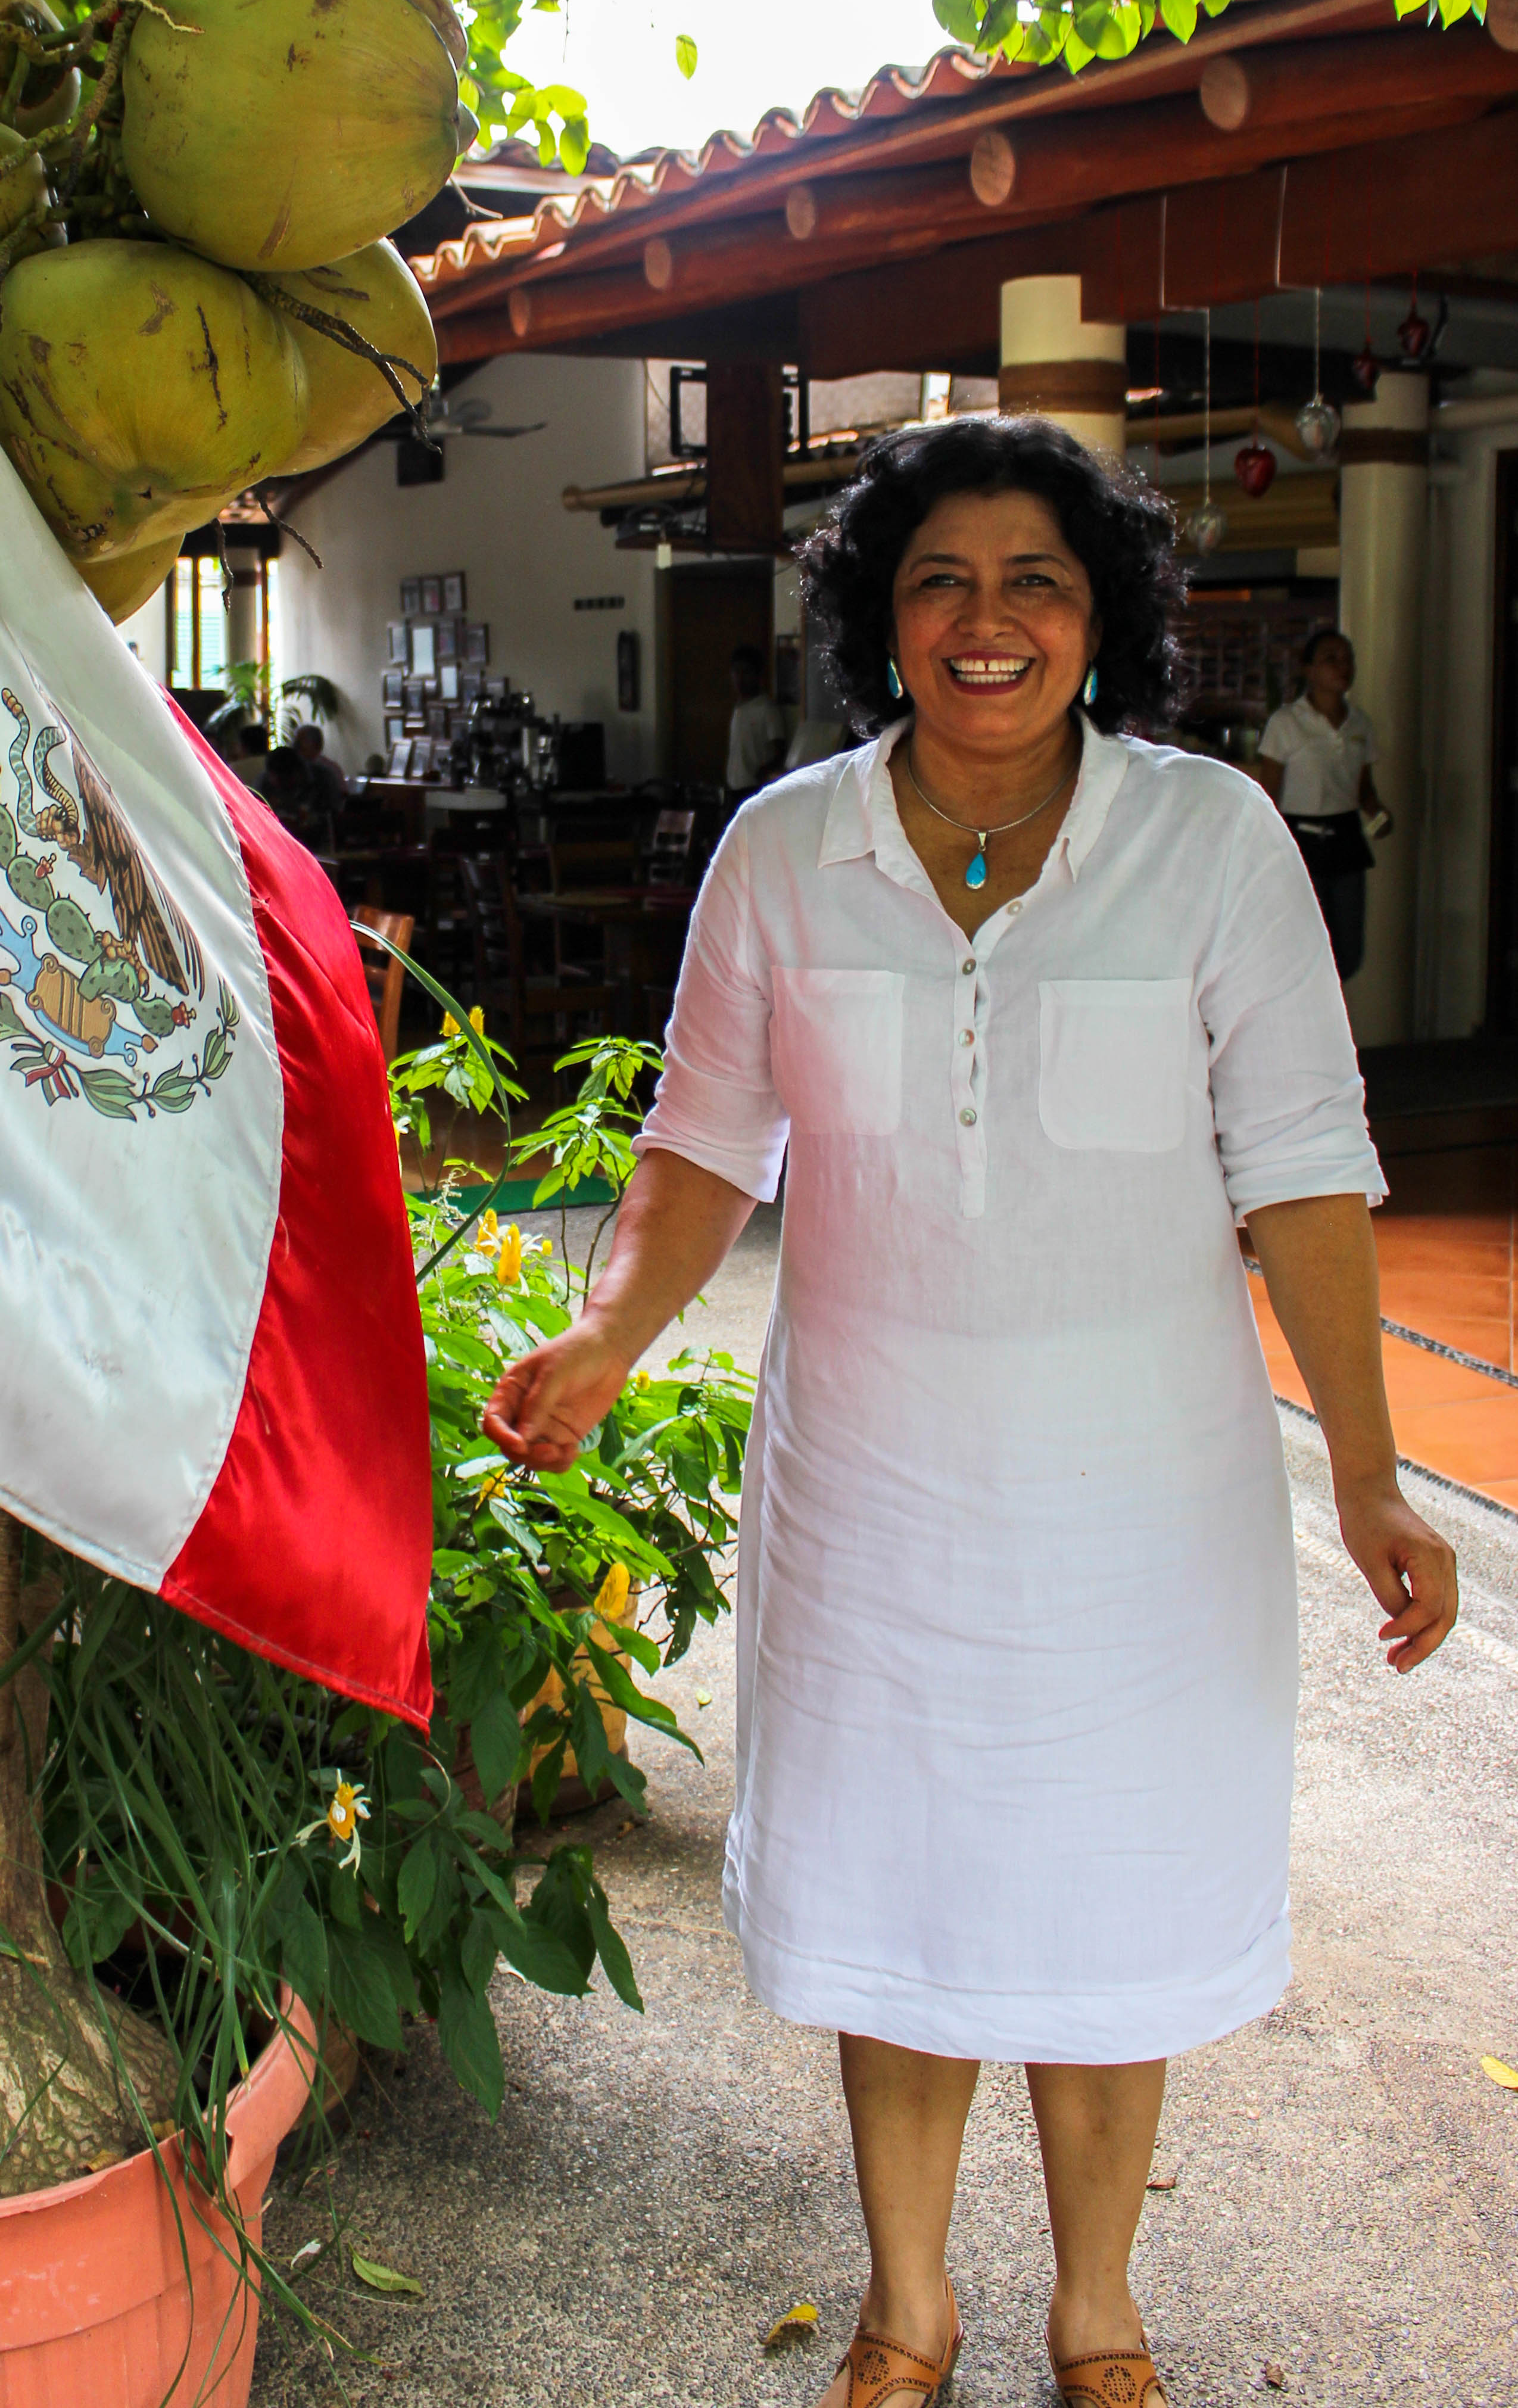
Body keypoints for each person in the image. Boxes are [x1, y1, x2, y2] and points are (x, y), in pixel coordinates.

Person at [482, 416, 1455, 2408]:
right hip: (878, 1492)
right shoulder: (781, 851)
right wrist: (605, 1337)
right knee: (897, 1889)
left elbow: (1296, 1166)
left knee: (1106, 1884)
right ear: (878, 617)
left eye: (1034, 578)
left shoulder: (1208, 843)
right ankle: (903, 2305)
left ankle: (1094, 2307)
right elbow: (698, 1146)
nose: (985, 618)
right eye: (938, 577)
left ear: (1100, 620)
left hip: (1143, 1501)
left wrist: (1365, 1472)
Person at [1254, 630, 1391, 981]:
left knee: (1347, 950)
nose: (1343, 667)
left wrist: (1379, 813)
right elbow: (1269, 794)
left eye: (1348, 660)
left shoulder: (1359, 724)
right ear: (1309, 669)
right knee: (1304, 946)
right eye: (1331, 659)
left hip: (1346, 838)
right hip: (1302, 838)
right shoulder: (1287, 723)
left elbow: (1364, 791)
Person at [725, 642, 787, 797]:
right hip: (734, 785)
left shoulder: (767, 708)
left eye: (746, 673)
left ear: (758, 676)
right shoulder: (739, 708)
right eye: (736, 672)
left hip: (754, 787)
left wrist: (763, 773)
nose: (740, 679)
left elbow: (780, 750)